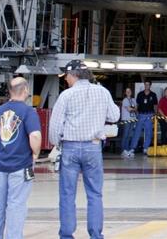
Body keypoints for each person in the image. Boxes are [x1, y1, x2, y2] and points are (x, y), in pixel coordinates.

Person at [49, 59, 120, 239]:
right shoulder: (102, 92)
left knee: (67, 194)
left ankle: (66, 235)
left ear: (73, 75)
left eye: (66, 77)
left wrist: (56, 144)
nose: (65, 80)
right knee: (95, 194)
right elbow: (114, 115)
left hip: (70, 148)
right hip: (93, 147)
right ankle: (96, 235)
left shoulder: (66, 95)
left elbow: (55, 125)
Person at [0, 76, 42, 239]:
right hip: (22, 166)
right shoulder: (28, 112)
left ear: (9, 91)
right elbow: (35, 136)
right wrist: (35, 153)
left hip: (0, 166)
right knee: (16, 205)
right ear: (25, 90)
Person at [135, 81, 157, 155]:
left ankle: (145, 148)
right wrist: (137, 114)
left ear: (150, 85)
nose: (146, 86)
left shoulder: (153, 95)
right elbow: (137, 105)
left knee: (149, 133)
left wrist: (154, 115)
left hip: (149, 115)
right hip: (141, 115)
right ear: (144, 85)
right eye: (145, 84)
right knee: (137, 132)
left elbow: (155, 106)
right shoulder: (140, 94)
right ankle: (133, 148)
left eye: (148, 84)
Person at [119, 87, 138, 157]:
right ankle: (123, 150)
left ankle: (127, 150)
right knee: (125, 135)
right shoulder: (125, 100)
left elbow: (136, 109)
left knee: (130, 135)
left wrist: (133, 109)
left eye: (129, 91)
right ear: (125, 93)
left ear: (131, 92)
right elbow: (129, 109)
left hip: (133, 119)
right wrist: (133, 108)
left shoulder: (133, 99)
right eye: (127, 91)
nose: (128, 92)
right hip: (126, 119)